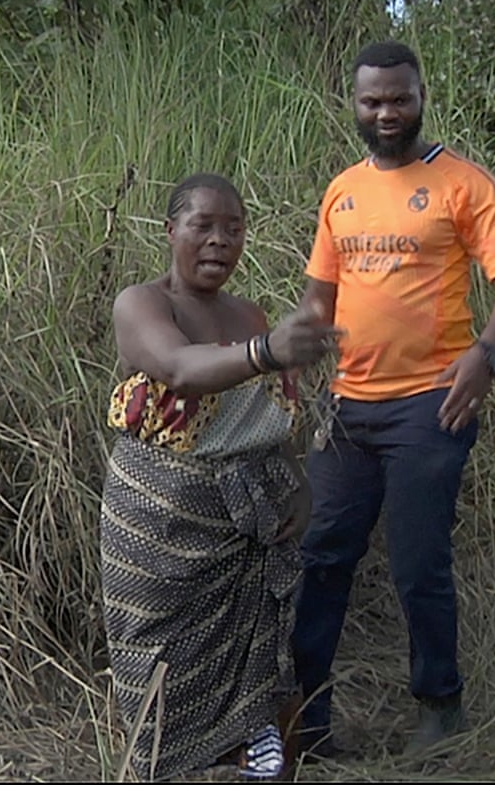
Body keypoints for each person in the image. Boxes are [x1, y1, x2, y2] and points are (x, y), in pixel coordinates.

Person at [291, 41, 495, 757]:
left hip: (433, 402)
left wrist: (486, 355)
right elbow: (320, 293)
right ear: (355, 105)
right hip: (348, 406)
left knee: (417, 557)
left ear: (421, 95)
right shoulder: (341, 189)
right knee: (320, 555)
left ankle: (439, 703)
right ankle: (306, 716)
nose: (386, 112)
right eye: (373, 101)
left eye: (398, 98)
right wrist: (295, 354)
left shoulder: (462, 183)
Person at [99, 172, 341, 781]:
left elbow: (267, 417)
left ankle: (253, 759)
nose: (219, 241)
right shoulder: (143, 303)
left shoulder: (249, 313)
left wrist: (301, 486)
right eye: (203, 226)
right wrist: (266, 351)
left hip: (242, 522)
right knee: (156, 652)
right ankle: (166, 766)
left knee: (252, 653)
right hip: (154, 524)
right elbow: (181, 369)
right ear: (170, 231)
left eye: (233, 229)